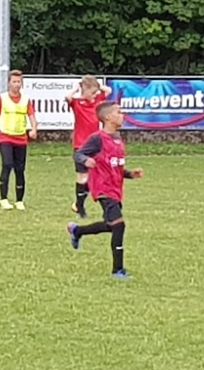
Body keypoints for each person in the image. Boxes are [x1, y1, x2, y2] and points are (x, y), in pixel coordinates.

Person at [67, 101, 143, 279]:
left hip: (115, 189)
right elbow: (78, 154)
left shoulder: (117, 139)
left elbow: (114, 167)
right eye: (119, 112)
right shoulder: (97, 138)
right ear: (108, 117)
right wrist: (85, 160)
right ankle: (118, 270)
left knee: (111, 225)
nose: (123, 115)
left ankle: (77, 231)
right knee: (119, 225)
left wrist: (130, 174)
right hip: (103, 189)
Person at [0, 70, 38, 210]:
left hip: (21, 138)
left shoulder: (26, 100)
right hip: (5, 137)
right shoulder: (2, 99)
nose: (16, 84)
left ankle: (19, 200)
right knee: (7, 165)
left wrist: (34, 129)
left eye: (19, 82)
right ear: (9, 83)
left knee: (20, 169)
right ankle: (3, 198)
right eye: (14, 81)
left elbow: (32, 116)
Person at [66, 75, 111, 218]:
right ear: (84, 90)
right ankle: (80, 208)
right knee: (83, 176)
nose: (94, 95)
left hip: (96, 145)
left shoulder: (97, 101)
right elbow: (67, 97)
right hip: (81, 146)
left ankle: (78, 203)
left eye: (95, 92)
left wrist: (96, 86)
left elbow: (108, 90)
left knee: (97, 177)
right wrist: (77, 88)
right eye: (91, 92)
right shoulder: (77, 103)